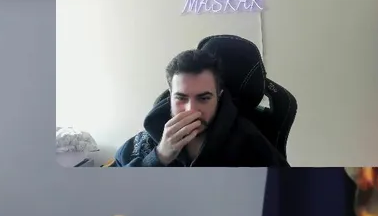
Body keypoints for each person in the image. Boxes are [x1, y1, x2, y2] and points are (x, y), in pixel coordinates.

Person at [114, 49, 287, 167]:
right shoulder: (150, 136)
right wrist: (159, 156)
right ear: (170, 95)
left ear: (219, 96)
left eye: (204, 98)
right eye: (181, 98)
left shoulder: (247, 140)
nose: (191, 110)